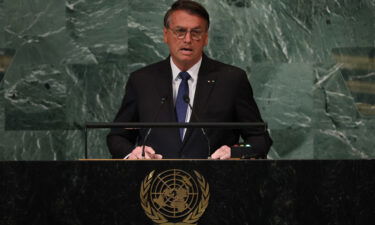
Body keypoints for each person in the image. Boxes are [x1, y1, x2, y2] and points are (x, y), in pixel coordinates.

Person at [107, 0, 272, 159]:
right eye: (180, 31)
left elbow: (259, 139)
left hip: (214, 182)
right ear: (166, 35)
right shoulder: (142, 81)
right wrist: (132, 153)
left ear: (206, 38)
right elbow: (117, 137)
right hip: (156, 183)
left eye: (196, 32)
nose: (187, 39)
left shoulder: (232, 80)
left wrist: (235, 152)